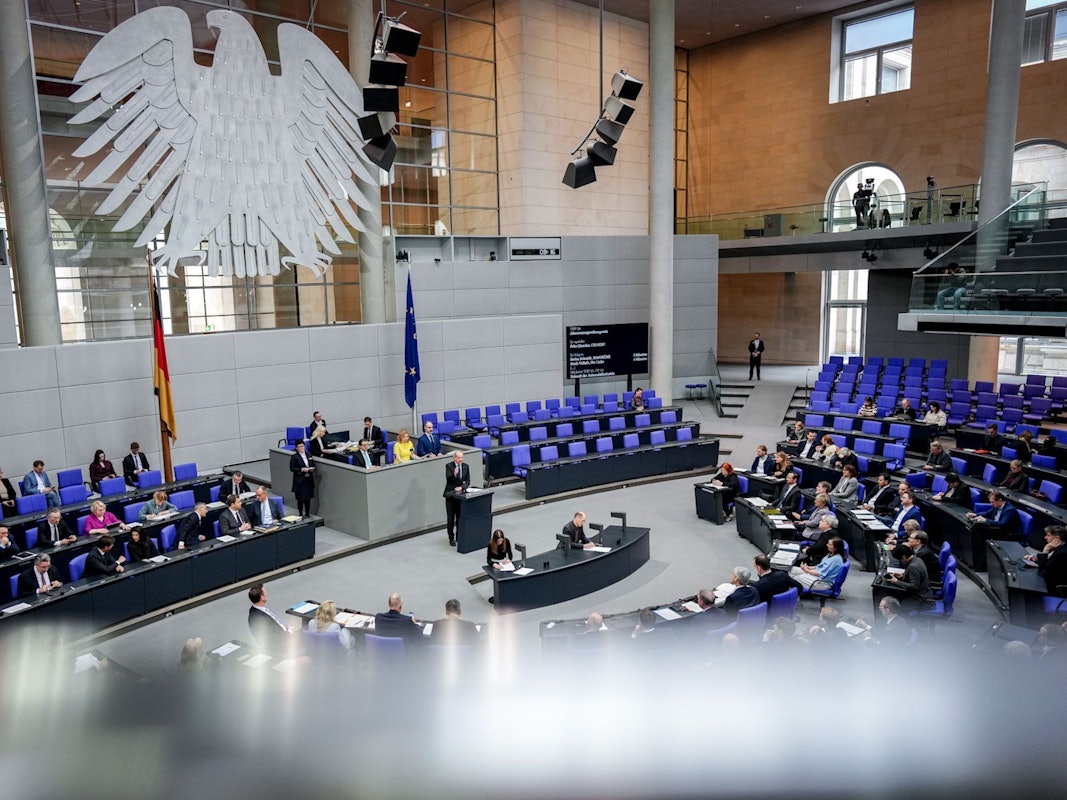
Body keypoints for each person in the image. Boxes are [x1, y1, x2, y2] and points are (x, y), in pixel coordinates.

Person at [247, 583, 293, 652]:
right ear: (262, 597)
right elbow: (274, 639)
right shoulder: (259, 619)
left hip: (283, 634)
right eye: (265, 592)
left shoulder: (255, 609)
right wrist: (289, 632)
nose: (267, 594)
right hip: (282, 646)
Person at [886, 543, 933, 611]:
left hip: (920, 598)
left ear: (904, 556)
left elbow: (914, 586)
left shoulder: (913, 567)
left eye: (900, 559)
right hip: (923, 591)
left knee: (895, 606)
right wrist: (902, 576)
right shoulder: (917, 559)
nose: (900, 561)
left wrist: (896, 581)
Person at [1024, 525, 1067, 597]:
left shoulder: (1062, 553)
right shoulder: (1061, 546)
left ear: (1057, 538)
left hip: (1055, 587)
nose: (1045, 537)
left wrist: (1045, 550)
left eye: (1048, 535)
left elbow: (1043, 569)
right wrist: (1036, 559)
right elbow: (1049, 562)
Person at [442, 450, 470, 547]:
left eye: (462, 457)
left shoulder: (466, 466)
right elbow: (448, 479)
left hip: (460, 496)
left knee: (459, 517)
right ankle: (451, 538)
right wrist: (454, 474)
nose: (461, 459)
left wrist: (462, 487)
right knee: (451, 518)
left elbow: (467, 481)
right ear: (454, 458)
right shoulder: (449, 466)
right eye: (459, 457)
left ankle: (459, 536)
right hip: (451, 496)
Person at [290, 440, 315, 517]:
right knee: (300, 498)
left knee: (307, 498)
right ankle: (300, 513)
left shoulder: (309, 454)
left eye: (302, 446)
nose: (301, 448)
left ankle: (307, 513)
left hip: (308, 479)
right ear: (296, 448)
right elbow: (292, 468)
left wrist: (311, 468)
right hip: (300, 480)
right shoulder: (294, 457)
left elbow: (312, 464)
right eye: (299, 447)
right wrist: (302, 469)